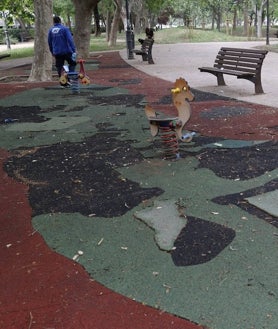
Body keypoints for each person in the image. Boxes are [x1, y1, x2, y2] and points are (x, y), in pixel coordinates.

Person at [48, 16, 77, 87]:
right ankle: (70, 75)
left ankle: (63, 83)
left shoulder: (51, 30)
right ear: (60, 21)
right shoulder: (64, 29)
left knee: (59, 67)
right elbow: (70, 40)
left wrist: (52, 51)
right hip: (66, 51)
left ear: (53, 22)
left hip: (57, 52)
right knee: (72, 63)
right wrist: (73, 50)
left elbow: (49, 42)